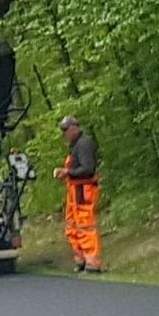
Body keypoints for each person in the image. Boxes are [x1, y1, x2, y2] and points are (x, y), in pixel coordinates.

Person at [53, 115, 102, 273]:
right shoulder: (75, 146)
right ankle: (81, 259)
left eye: (66, 130)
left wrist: (67, 172)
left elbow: (88, 169)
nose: (64, 134)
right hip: (74, 191)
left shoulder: (84, 144)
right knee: (72, 226)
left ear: (74, 128)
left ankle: (92, 263)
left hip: (83, 190)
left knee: (85, 225)